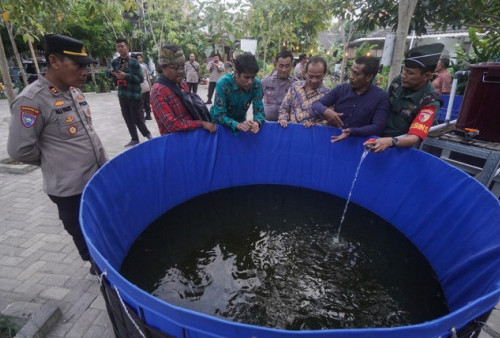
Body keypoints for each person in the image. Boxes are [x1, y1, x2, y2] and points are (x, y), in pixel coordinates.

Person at [7, 34, 108, 272]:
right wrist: (56, 161)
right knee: (87, 241)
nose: (85, 71)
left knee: (105, 230)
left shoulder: (73, 91)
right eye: (79, 65)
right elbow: (20, 150)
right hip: (71, 190)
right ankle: (101, 273)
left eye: (86, 66)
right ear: (54, 61)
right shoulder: (32, 101)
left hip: (96, 179)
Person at [364, 43, 445, 153]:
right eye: (404, 70)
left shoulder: (430, 102)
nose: (403, 75)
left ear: (427, 76)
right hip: (376, 136)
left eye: (410, 73)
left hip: (397, 148)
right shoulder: (399, 81)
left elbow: (414, 137)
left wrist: (391, 141)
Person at [311, 56, 389, 142]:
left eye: (356, 74)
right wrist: (326, 111)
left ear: (369, 77)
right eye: (351, 71)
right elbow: (316, 104)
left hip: (359, 145)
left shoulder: (381, 97)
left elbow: (378, 127)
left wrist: (352, 131)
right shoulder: (341, 89)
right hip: (335, 142)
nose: (351, 76)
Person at [150, 44, 216, 135]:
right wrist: (201, 124)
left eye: (182, 66)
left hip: (192, 137)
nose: (181, 71)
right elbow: (172, 126)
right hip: (177, 142)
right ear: (162, 67)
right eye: (175, 68)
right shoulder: (158, 91)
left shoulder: (182, 84)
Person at [106, 38, 152, 147]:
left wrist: (125, 76)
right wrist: (112, 72)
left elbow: (140, 79)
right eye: (118, 46)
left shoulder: (134, 62)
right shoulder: (115, 62)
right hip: (122, 94)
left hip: (134, 94)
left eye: (122, 46)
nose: (120, 48)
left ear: (127, 47)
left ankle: (149, 136)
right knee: (127, 117)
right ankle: (134, 138)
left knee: (137, 117)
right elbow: (107, 73)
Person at [210, 52, 265, 134]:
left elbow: (259, 110)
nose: (250, 82)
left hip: (241, 125)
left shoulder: (256, 84)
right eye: (246, 77)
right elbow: (219, 115)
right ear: (236, 73)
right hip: (219, 126)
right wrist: (237, 125)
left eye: (253, 77)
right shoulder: (223, 84)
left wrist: (256, 122)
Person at [278, 56, 330, 128]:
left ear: (324, 74)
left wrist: (316, 125)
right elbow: (284, 108)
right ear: (305, 73)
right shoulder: (295, 87)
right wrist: (283, 119)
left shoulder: (328, 94)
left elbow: (328, 120)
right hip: (291, 132)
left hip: (312, 136)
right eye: (310, 76)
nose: (314, 80)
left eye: (318, 77)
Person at [261, 50, 297, 121]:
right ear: (275, 65)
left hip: (286, 125)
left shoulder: (295, 85)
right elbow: (257, 103)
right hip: (266, 124)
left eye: (287, 66)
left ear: (292, 66)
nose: (284, 70)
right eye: (281, 66)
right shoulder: (265, 81)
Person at [132, 53, 153, 120]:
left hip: (140, 87)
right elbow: (148, 77)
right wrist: (150, 86)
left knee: (140, 104)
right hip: (146, 86)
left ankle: (142, 118)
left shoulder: (134, 67)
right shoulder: (144, 66)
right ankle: (148, 115)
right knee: (147, 103)